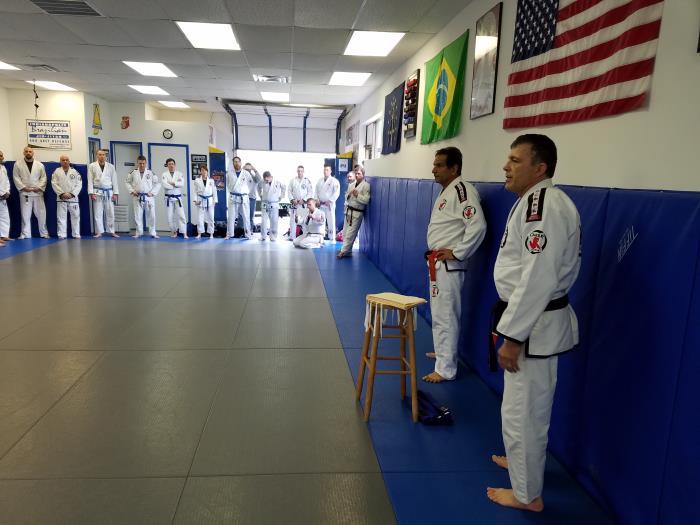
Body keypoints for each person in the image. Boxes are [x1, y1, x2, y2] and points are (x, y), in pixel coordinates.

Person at [487, 134, 581, 513]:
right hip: (532, 323)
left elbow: (538, 277)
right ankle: (521, 464)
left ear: (539, 168)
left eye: (515, 160)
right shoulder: (534, 202)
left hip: (533, 328)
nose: (505, 167)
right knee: (522, 407)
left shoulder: (543, 206)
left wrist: (513, 336)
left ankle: (528, 495)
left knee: (523, 413)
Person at [423, 147, 486, 383]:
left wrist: (458, 253)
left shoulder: (462, 191)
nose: (434, 169)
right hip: (437, 262)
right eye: (434, 164)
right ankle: (442, 353)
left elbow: (478, 225)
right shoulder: (447, 191)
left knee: (447, 316)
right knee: (439, 313)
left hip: (448, 265)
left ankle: (446, 368)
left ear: (454, 168)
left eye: (439, 165)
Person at [12, 145, 48, 239]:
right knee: (25, 214)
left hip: (37, 192)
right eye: (26, 151)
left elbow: (43, 178)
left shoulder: (39, 165)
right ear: (23, 153)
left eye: (30, 151)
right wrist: (23, 187)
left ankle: (44, 233)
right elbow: (16, 177)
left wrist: (39, 187)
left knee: (41, 214)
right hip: (25, 193)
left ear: (33, 153)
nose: (28, 153)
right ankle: (25, 234)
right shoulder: (17, 164)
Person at [337, 164, 370, 258]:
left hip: (357, 212)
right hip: (349, 211)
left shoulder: (366, 186)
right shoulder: (351, 185)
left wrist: (357, 195)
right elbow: (346, 197)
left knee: (351, 233)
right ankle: (348, 251)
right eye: (356, 173)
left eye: (359, 173)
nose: (357, 175)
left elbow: (366, 200)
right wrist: (349, 194)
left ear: (363, 174)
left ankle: (343, 251)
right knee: (345, 232)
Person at [125, 155, 161, 238]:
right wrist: (132, 191)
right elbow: (127, 182)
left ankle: (153, 233)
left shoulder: (150, 172)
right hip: (137, 196)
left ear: (146, 163)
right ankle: (138, 232)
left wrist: (152, 193)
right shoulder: (133, 173)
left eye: (143, 163)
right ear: (137, 163)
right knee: (137, 216)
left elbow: (158, 183)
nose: (142, 165)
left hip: (149, 197)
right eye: (140, 163)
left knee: (152, 216)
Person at [87, 149, 120, 238]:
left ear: (106, 156)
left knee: (110, 212)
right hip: (97, 192)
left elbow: (114, 180)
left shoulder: (111, 166)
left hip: (109, 192)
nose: (102, 156)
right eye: (100, 154)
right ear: (97, 156)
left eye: (103, 155)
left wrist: (116, 193)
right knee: (98, 213)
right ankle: (99, 232)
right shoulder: (92, 166)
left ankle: (112, 231)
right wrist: (91, 193)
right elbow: (90, 180)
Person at [51, 154, 83, 239]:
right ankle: (62, 234)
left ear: (69, 161)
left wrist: (72, 194)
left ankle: (76, 234)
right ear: (60, 162)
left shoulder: (75, 172)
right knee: (61, 217)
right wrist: (62, 194)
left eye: (66, 160)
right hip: (61, 198)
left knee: (75, 216)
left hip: (73, 198)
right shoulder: (56, 171)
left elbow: (79, 184)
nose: (65, 161)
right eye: (63, 160)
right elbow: (54, 184)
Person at [225, 156, 254, 240]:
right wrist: (233, 191)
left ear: (240, 163)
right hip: (233, 196)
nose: (237, 163)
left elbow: (250, 184)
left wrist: (245, 192)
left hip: (243, 197)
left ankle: (248, 234)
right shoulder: (229, 173)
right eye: (235, 162)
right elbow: (227, 184)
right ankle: (229, 234)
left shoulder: (246, 173)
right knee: (231, 216)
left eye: (238, 161)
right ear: (233, 163)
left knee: (246, 216)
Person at [161, 158, 188, 238]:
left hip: (177, 198)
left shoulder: (179, 174)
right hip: (168, 198)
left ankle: (184, 233)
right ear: (167, 165)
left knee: (181, 215)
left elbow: (181, 184)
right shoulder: (164, 174)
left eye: (172, 164)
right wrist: (175, 185)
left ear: (175, 165)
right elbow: (165, 185)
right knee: (170, 217)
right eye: (169, 164)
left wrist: (172, 183)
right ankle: (174, 232)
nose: (171, 165)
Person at [315, 164, 340, 241]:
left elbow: (336, 192)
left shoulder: (334, 181)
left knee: (331, 221)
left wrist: (330, 200)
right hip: (321, 204)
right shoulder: (320, 180)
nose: (325, 171)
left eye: (327, 170)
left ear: (330, 171)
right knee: (321, 220)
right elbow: (316, 191)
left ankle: (332, 237)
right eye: (324, 170)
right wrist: (316, 199)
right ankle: (321, 236)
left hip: (329, 205)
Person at [288, 165, 313, 240]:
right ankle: (292, 237)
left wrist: (304, 200)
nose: (300, 172)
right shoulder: (293, 180)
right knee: (293, 221)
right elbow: (289, 191)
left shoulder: (307, 181)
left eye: (301, 171)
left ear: (303, 172)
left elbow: (310, 192)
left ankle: (304, 237)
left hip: (302, 205)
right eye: (298, 171)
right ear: (297, 171)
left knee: (303, 221)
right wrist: (292, 200)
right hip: (295, 204)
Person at [259, 170, 285, 242]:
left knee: (274, 221)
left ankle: (273, 236)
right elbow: (258, 187)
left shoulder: (277, 182)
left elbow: (284, 187)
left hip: (274, 204)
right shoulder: (262, 181)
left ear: (270, 177)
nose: (266, 181)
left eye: (267, 180)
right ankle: (263, 236)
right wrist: (260, 195)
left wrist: (281, 196)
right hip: (265, 204)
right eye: (265, 180)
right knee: (263, 221)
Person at [193, 165, 217, 239]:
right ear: (200, 171)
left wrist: (215, 201)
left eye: (205, 170)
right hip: (200, 200)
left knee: (211, 217)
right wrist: (195, 200)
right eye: (202, 170)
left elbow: (214, 191)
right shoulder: (197, 180)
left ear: (207, 171)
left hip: (210, 200)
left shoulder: (211, 181)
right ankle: (199, 233)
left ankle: (211, 233)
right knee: (200, 218)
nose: (204, 172)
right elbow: (195, 191)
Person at [244, 162, 261, 235]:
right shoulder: (242, 175)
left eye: (249, 168)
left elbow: (259, 179)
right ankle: (242, 230)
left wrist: (254, 169)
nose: (248, 170)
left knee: (250, 215)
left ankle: (250, 230)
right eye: (246, 168)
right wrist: (242, 169)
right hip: (243, 198)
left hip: (252, 198)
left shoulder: (254, 177)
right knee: (242, 216)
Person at [0, 150, 12, 243]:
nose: (2, 157)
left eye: (2, 155)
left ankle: (4, 235)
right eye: (0, 156)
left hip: (3, 196)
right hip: (1, 194)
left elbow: (6, 181)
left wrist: (7, 192)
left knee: (4, 216)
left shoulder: (3, 168)